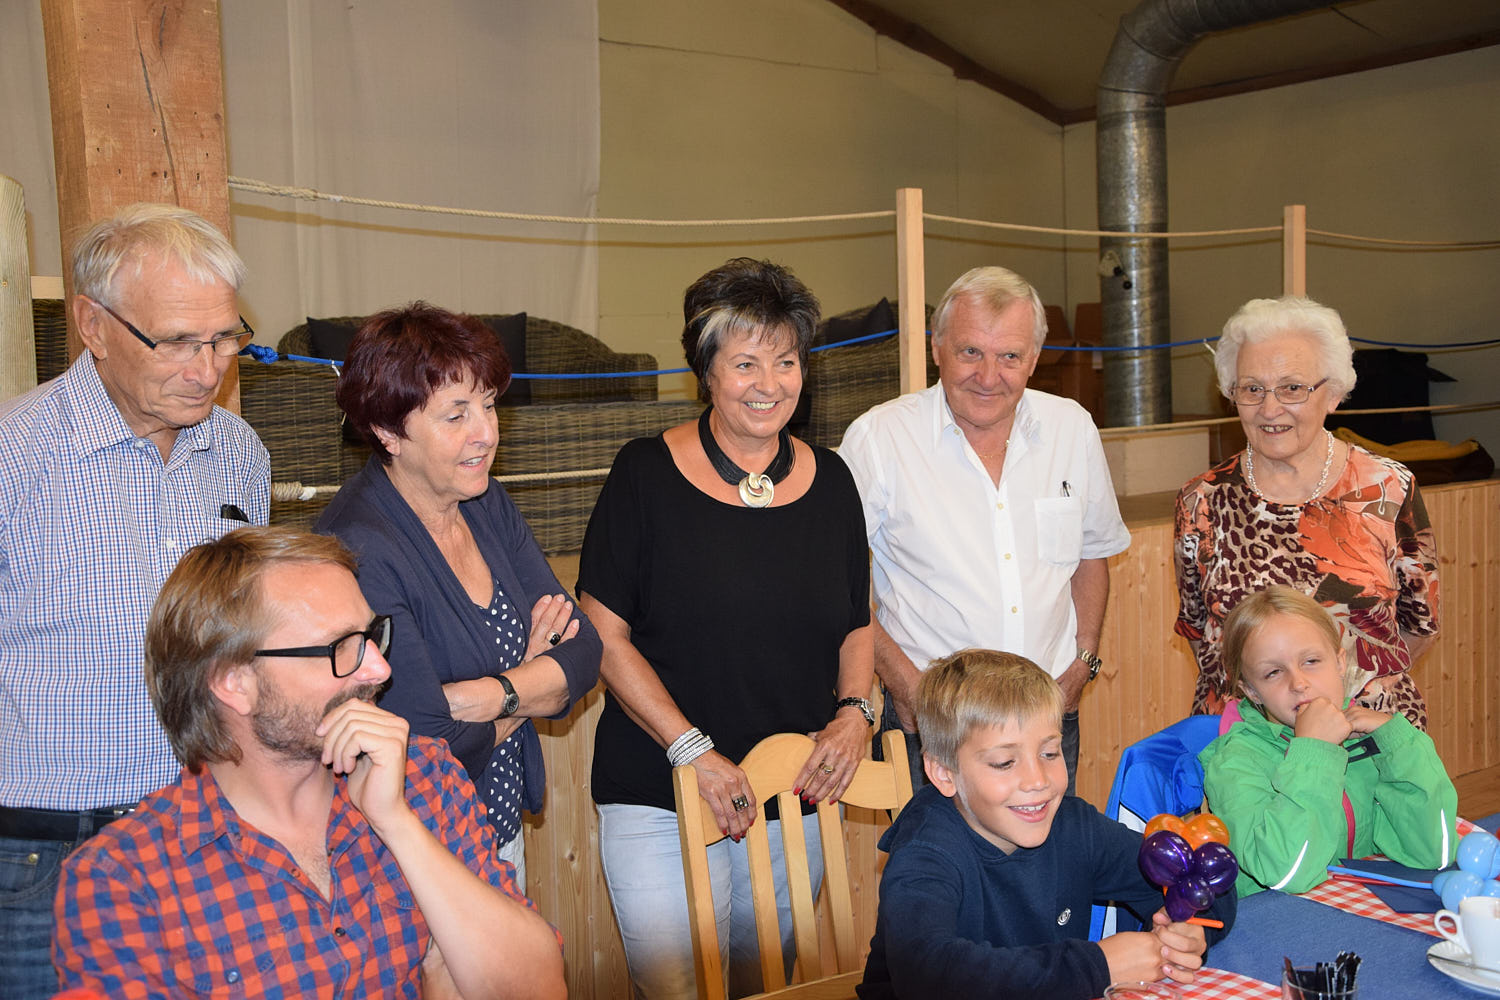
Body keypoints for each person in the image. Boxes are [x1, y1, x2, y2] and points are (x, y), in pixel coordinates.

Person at [52, 526, 566, 999]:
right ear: (234, 683)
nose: (379, 669)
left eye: (372, 636)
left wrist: (398, 824)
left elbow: (541, 989)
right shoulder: (125, 878)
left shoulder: (424, 776)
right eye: (342, 648)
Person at [577, 258, 874, 999]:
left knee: (766, 989)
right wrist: (693, 751)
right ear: (705, 372)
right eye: (745, 363)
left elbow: (856, 620)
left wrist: (854, 714)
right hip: (661, 790)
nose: (769, 384)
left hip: (793, 794)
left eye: (786, 361)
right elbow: (602, 635)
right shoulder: (643, 475)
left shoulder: (834, 481)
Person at [0, 203, 270, 1000]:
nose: (207, 370)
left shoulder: (239, 454)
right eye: (178, 341)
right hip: (46, 850)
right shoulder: (15, 454)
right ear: (93, 324)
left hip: (205, 830)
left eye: (223, 338)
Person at [315, 302, 600, 888]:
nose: (486, 434)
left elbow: (584, 651)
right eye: (456, 415)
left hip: (496, 832)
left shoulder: (484, 500)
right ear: (389, 431)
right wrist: (529, 680)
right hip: (410, 856)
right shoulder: (358, 547)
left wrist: (486, 694)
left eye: (489, 406)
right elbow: (428, 745)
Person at [839, 265, 1130, 794]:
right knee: (934, 853)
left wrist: (1082, 663)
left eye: (1010, 356)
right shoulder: (880, 438)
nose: (989, 376)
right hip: (933, 724)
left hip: (1048, 718)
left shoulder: (1071, 429)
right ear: (937, 347)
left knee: (1045, 852)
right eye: (970, 351)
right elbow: (838, 582)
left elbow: (1091, 554)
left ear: (1034, 359)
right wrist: (906, 686)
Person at [859, 649, 1234, 1000]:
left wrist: (1194, 929)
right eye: (1005, 762)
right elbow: (924, 974)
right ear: (944, 773)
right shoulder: (925, 850)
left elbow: (1200, 879)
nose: (1038, 780)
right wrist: (1097, 966)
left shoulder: (1075, 827)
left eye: (1050, 753)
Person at [1174, 296, 1440, 728]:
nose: (1270, 408)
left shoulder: (1388, 488)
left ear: (1332, 394)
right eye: (1252, 388)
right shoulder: (1201, 501)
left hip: (1366, 741)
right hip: (1245, 749)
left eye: (1292, 388)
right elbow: (1201, 631)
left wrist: (1343, 700)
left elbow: (1419, 625)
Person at [1199, 585, 1456, 897]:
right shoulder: (1235, 763)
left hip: (1353, 908)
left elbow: (1434, 853)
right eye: (1274, 672)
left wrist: (1397, 743)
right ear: (1252, 691)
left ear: (1340, 663)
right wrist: (1314, 751)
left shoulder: (1367, 741)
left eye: (1311, 661)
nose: (1298, 683)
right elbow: (1286, 874)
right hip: (1275, 918)